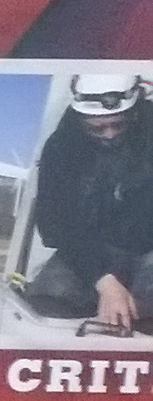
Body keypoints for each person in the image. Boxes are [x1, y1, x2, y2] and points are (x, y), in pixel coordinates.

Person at [25, 67, 153, 327]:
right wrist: (105, 282)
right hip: (94, 250)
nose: (110, 135)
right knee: (51, 297)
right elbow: (56, 225)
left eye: (118, 124)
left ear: (134, 112)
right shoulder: (60, 148)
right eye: (97, 129)